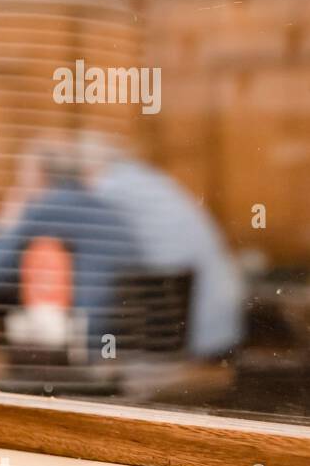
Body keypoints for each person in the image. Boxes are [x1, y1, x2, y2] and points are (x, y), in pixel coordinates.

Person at [78, 134, 244, 358]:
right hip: (218, 323)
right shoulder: (147, 180)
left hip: (189, 334)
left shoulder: (109, 189)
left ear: (88, 169)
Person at [0, 140, 142, 350]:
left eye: (22, 172)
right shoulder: (102, 206)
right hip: (123, 331)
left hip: (87, 336)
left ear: (40, 174)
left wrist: (8, 218)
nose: (18, 181)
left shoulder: (49, 206)